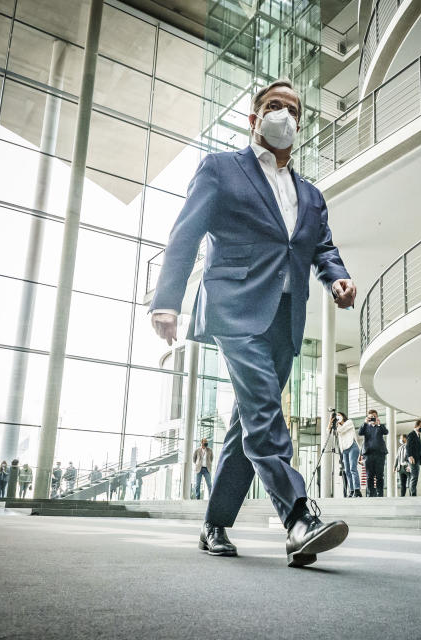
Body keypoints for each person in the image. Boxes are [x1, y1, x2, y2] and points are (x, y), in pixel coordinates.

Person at [149, 80, 356, 567]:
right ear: (253, 118)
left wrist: (338, 279)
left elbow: (320, 246)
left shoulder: (310, 193)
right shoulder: (221, 169)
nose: (282, 114)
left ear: (300, 125)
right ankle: (299, 517)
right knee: (265, 410)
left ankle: (214, 522)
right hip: (234, 307)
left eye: (291, 109)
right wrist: (167, 300)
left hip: (286, 315)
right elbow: (186, 232)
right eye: (272, 106)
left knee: (248, 422)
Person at [358, 410, 389, 497]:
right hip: (368, 454)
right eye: (371, 416)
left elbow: (386, 432)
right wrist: (365, 423)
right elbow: (360, 433)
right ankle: (370, 494)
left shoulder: (380, 426)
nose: (372, 418)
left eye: (374, 416)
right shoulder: (366, 427)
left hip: (380, 454)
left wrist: (379, 424)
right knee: (369, 476)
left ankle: (380, 494)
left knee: (380, 476)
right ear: (368, 417)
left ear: (377, 417)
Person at [335, 412, 361, 498]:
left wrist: (337, 424)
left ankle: (357, 490)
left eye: (339, 415)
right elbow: (329, 432)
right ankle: (352, 490)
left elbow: (341, 430)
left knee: (352, 468)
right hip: (344, 450)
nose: (338, 417)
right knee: (347, 471)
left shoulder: (349, 422)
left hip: (352, 446)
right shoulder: (337, 426)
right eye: (336, 416)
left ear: (343, 416)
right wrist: (331, 422)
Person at [405, 420, 421, 496]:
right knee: (414, 477)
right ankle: (413, 495)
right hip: (413, 459)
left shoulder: (418, 435)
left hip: (417, 459)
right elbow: (408, 446)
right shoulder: (411, 434)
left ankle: (412, 494)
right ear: (416, 426)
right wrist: (410, 456)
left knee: (413, 477)